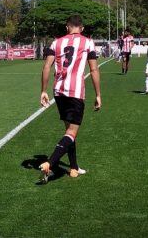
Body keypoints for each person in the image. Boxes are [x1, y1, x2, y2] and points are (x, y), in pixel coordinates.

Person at [38, 15, 101, 184]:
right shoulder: (87, 42)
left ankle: (74, 167)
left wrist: (43, 90)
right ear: (82, 28)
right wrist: (98, 94)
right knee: (72, 133)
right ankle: (50, 163)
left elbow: (46, 67)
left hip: (58, 91)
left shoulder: (56, 42)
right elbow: (94, 70)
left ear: (67, 27)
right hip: (75, 92)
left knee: (69, 132)